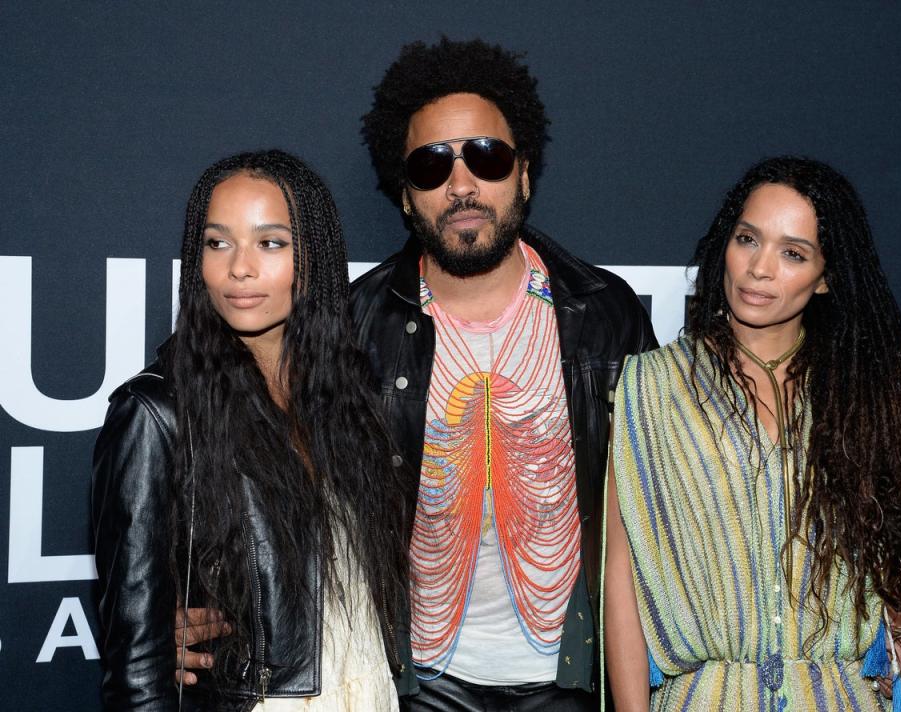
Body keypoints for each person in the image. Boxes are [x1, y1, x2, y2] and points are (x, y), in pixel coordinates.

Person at [175, 39, 655, 708]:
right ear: (405, 196)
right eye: (432, 167)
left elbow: (655, 511)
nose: (461, 186)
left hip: (574, 674)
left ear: (523, 173)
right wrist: (176, 607)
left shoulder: (605, 315)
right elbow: (231, 438)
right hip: (415, 680)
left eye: (486, 157)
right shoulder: (353, 322)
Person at [603, 156, 901, 711]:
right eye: (747, 239)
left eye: (793, 253)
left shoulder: (859, 393)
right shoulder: (651, 386)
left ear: (826, 275)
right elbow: (622, 582)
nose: (759, 268)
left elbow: (893, 574)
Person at [92, 150, 411, 710]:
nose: (239, 268)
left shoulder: (349, 398)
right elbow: (137, 668)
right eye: (218, 243)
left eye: (271, 243)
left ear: (314, 258)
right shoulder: (156, 413)